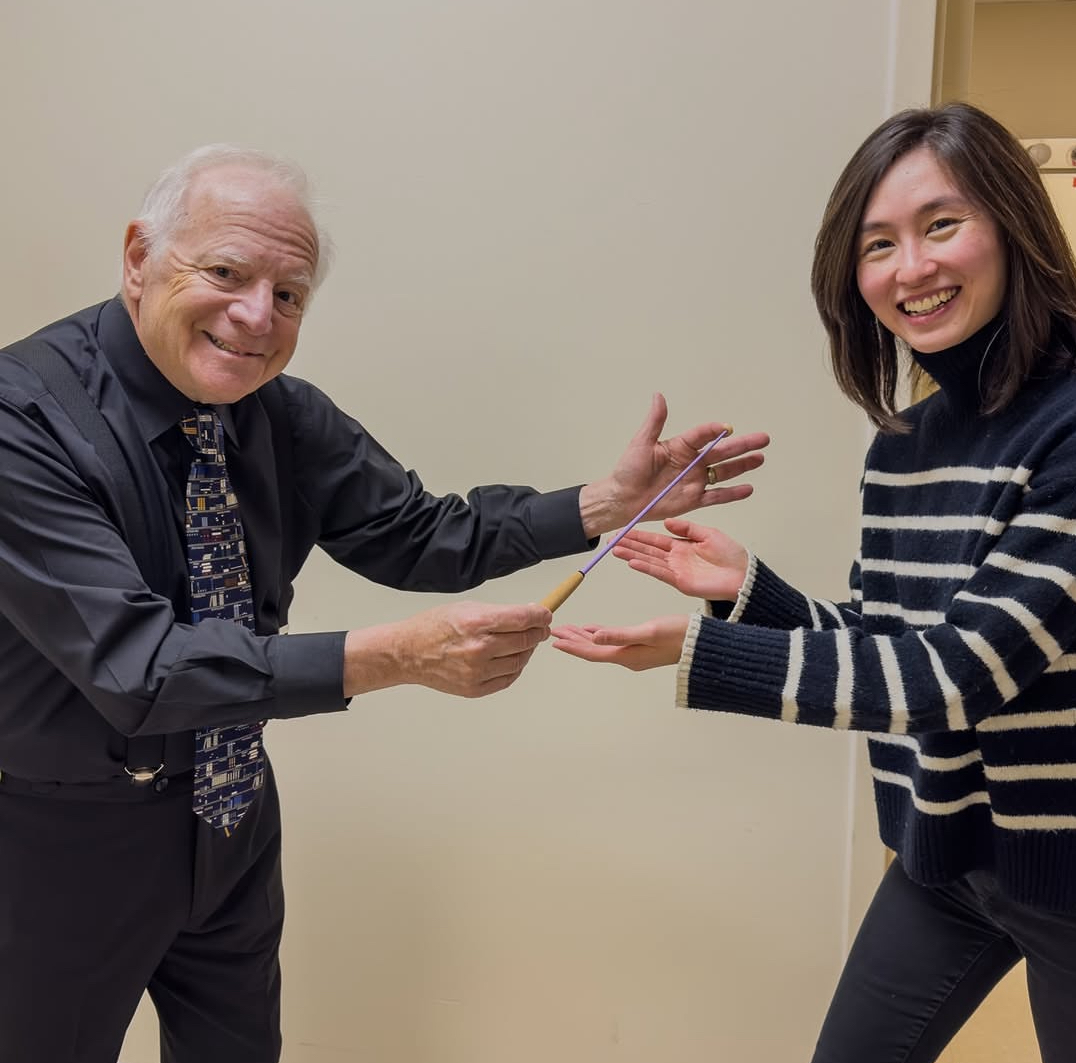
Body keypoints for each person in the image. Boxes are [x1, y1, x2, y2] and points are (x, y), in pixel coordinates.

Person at [0, 143, 769, 1063]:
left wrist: (601, 503)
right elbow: (140, 666)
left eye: (288, 295)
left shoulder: (278, 411)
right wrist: (395, 657)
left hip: (232, 811)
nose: (257, 316)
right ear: (138, 256)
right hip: (61, 836)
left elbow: (420, 533)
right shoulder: (22, 417)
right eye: (226, 272)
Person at [552, 102, 1076, 1063]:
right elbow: (890, 639)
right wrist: (746, 592)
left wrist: (705, 654)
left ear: (1013, 227)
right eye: (877, 244)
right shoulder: (904, 446)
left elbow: (956, 677)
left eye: (940, 225)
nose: (910, 269)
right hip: (946, 852)